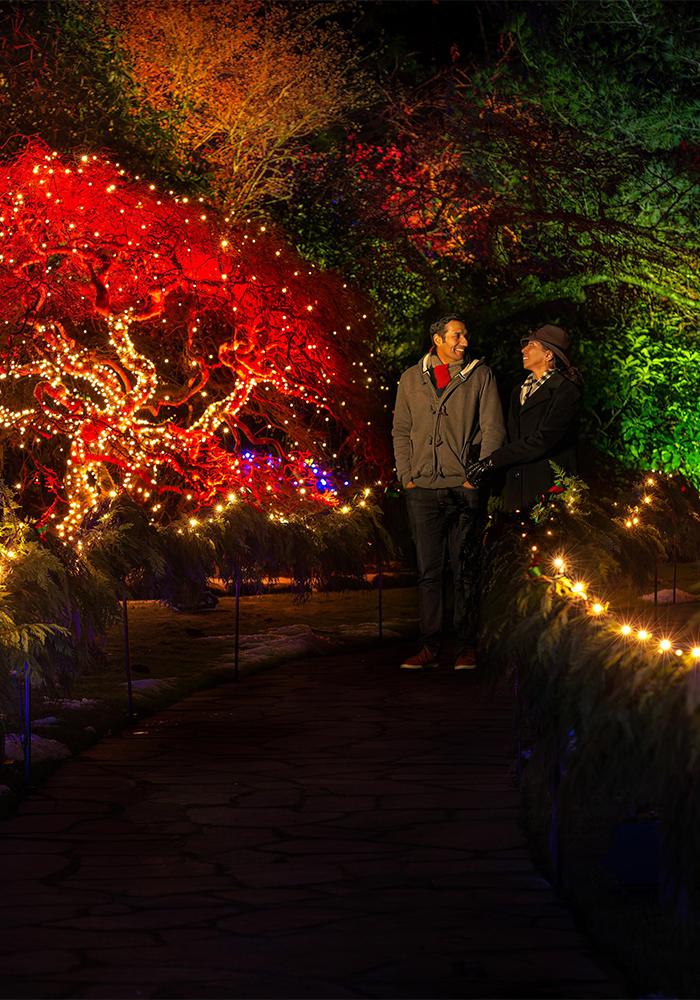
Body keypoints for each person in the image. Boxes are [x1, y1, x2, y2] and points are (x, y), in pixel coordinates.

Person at [392, 314, 505, 670]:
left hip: (464, 488)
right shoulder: (411, 378)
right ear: (438, 339)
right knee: (429, 572)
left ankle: (467, 646)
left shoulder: (480, 376)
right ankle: (429, 647)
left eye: (466, 335)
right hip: (421, 489)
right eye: (458, 336)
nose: (465, 342)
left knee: (465, 569)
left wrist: (475, 477)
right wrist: (407, 476)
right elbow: (401, 430)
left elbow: (493, 431)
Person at [465, 325, 582, 511]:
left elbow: (544, 439)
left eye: (531, 345)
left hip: (548, 488)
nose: (523, 350)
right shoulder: (518, 391)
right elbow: (511, 436)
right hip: (516, 489)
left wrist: (494, 460)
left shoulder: (566, 391)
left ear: (548, 355)